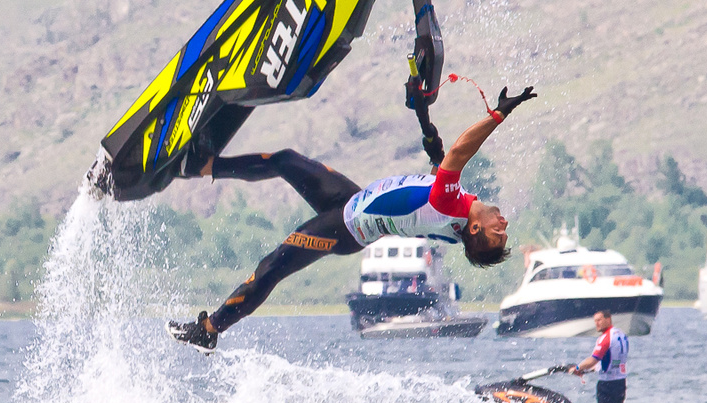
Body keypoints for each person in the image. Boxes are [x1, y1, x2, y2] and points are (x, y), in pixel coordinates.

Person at [169, 87, 535, 350]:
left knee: (271, 267)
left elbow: (458, 152)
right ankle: (201, 165)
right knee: (285, 159)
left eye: (496, 234)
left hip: (343, 229)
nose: (503, 226)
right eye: (502, 232)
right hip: (351, 200)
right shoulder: (457, 210)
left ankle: (210, 329)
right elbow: (442, 165)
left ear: (474, 228)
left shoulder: (451, 205)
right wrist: (426, 121)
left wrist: (498, 115)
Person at [571, 309, 629, 403]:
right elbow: (612, 360)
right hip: (620, 381)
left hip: (607, 384)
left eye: (599, 320)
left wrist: (577, 368)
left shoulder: (605, 338)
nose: (597, 324)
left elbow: (593, 360)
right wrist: (592, 368)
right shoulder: (621, 334)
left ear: (608, 319)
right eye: (595, 321)